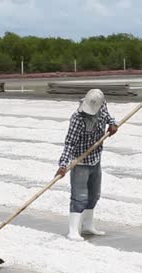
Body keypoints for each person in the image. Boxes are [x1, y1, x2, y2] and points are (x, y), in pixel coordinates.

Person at [56, 89, 118, 241]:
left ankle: (88, 226)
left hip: (96, 159)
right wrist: (63, 165)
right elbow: (70, 143)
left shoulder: (101, 106)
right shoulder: (77, 118)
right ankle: (72, 231)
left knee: (94, 195)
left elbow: (109, 117)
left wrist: (113, 124)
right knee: (80, 197)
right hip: (80, 162)